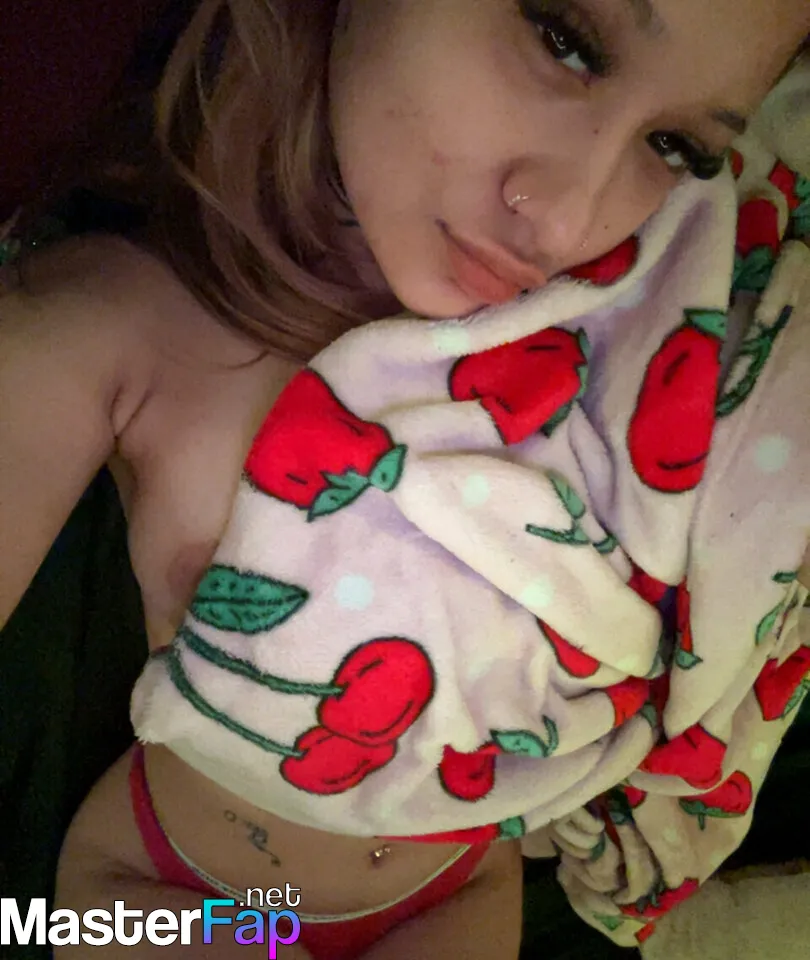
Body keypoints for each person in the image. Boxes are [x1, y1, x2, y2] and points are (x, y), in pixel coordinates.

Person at [0, 1, 808, 957]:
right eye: (564, 41)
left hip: (453, 889)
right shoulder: (122, 326)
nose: (568, 217)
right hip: (156, 879)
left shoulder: (638, 352)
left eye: (674, 146)